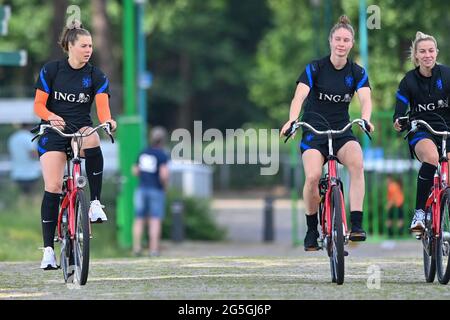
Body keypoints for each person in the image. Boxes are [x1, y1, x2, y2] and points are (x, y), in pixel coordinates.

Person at [280, 15, 374, 251]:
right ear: (330, 41)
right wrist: (292, 120)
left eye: (346, 40)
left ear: (352, 44)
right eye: (338, 39)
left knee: (357, 163)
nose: (341, 44)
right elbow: (299, 96)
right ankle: (312, 230)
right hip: (314, 131)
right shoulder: (315, 68)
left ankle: (356, 224)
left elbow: (365, 99)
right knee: (312, 177)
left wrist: (365, 119)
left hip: (341, 131)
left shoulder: (357, 72)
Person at [34, 20, 117, 269]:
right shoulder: (51, 70)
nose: (88, 49)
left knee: (92, 137)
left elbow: (102, 108)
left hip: (80, 127)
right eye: (83, 45)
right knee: (53, 185)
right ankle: (48, 250)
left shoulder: (95, 75)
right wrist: (50, 117)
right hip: (53, 130)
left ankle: (94, 203)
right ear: (70, 46)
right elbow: (39, 105)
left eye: (90, 45)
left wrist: (108, 121)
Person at [393, 31, 450, 233]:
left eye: (431, 51)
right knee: (432, 157)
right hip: (421, 131)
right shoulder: (408, 80)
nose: (427, 55)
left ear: (437, 52)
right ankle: (419, 212)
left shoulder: (447, 74)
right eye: (423, 51)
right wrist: (399, 120)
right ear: (416, 55)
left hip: (447, 131)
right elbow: (399, 110)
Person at [132, 126, 169, 257]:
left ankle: (136, 248)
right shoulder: (162, 154)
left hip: (141, 189)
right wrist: (165, 187)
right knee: (155, 220)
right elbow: (164, 174)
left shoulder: (143, 152)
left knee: (139, 219)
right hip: (156, 190)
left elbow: (135, 170)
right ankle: (153, 249)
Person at [7, 123, 41, 196]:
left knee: (21, 197)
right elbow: (33, 154)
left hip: (16, 173)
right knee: (32, 197)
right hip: (31, 173)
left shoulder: (13, 137)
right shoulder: (29, 137)